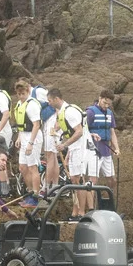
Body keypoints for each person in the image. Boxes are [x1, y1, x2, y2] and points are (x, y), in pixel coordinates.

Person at [48, 87, 90, 220]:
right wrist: (54, 130)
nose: (48, 103)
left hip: (80, 147)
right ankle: (74, 211)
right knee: (73, 179)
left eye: (50, 101)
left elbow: (79, 131)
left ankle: (81, 213)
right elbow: (60, 125)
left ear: (56, 99)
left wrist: (64, 145)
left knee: (78, 180)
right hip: (73, 148)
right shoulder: (61, 112)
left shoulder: (70, 111)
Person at [12, 79, 43, 208]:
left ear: (28, 91)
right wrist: (19, 137)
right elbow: (21, 124)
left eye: (23, 93)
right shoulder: (19, 104)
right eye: (18, 94)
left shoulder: (32, 104)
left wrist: (30, 143)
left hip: (33, 137)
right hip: (23, 136)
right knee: (23, 168)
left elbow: (36, 125)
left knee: (32, 167)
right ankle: (30, 193)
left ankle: (36, 197)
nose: (21, 96)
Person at [85, 88, 120, 195]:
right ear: (100, 99)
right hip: (93, 151)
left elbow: (112, 132)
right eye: (104, 103)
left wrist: (117, 148)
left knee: (112, 179)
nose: (106, 106)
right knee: (93, 180)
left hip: (106, 150)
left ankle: (109, 201)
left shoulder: (109, 113)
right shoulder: (90, 112)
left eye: (108, 104)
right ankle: (91, 207)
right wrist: (92, 135)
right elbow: (82, 131)